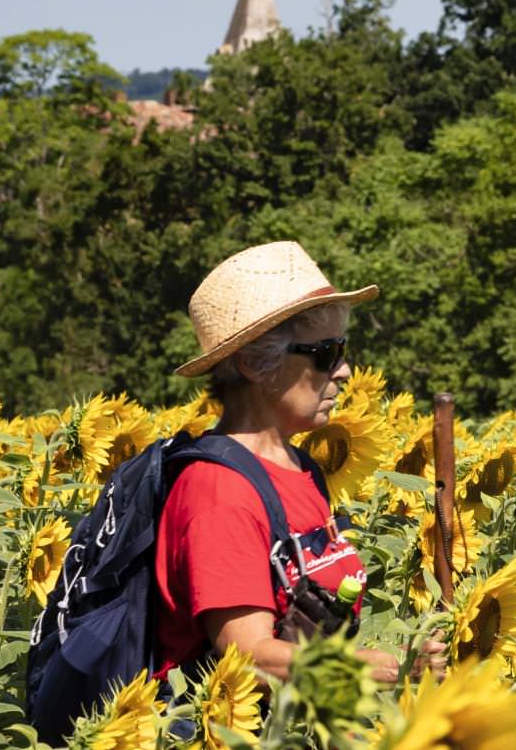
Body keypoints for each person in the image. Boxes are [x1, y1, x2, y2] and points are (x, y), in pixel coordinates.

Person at [156, 240, 444, 688]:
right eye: (326, 353)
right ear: (255, 363)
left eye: (343, 348)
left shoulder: (302, 467)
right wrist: (388, 668)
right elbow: (248, 654)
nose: (345, 370)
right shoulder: (219, 493)